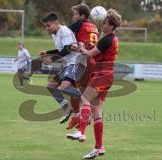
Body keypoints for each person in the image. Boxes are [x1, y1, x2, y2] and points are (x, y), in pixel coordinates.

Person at [66, 9, 122, 159]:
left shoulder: (107, 39)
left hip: (102, 74)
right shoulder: (112, 39)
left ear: (110, 25)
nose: (102, 25)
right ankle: (99, 147)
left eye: (104, 23)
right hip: (107, 74)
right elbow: (95, 51)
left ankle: (81, 132)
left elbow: (90, 54)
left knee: (84, 99)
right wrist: (84, 48)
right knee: (97, 112)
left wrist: (82, 48)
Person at [39, 12, 87, 124]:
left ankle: (85, 101)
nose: (46, 28)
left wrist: (52, 59)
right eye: (45, 26)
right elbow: (61, 49)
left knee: (63, 88)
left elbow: (68, 48)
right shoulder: (54, 34)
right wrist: (47, 52)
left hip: (75, 63)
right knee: (50, 86)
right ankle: (66, 108)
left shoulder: (64, 31)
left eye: (48, 25)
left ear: (56, 23)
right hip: (68, 64)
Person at [66, 3, 99, 130]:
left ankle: (77, 116)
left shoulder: (80, 23)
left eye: (75, 14)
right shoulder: (94, 26)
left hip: (82, 60)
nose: (74, 17)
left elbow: (64, 32)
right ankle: (84, 116)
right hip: (92, 61)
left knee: (68, 85)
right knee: (83, 89)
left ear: (82, 16)